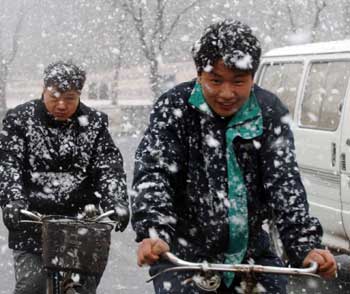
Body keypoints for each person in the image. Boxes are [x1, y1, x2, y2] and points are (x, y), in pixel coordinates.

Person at [131, 19, 336, 293]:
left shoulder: (268, 111)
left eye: (238, 82)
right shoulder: (175, 107)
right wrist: (154, 232)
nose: (227, 93)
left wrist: (305, 245)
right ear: (199, 74)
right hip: (185, 255)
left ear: (253, 76)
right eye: (215, 80)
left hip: (251, 255)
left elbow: (284, 185)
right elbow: (154, 175)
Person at [0, 61, 129, 294]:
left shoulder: (94, 124)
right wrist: (13, 200)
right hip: (32, 220)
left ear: (80, 94)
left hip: (81, 222)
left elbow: (109, 166)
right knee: (32, 286)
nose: (61, 105)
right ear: (44, 89)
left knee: (83, 287)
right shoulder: (20, 120)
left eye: (69, 98)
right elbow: (9, 165)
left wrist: (116, 200)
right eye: (54, 96)